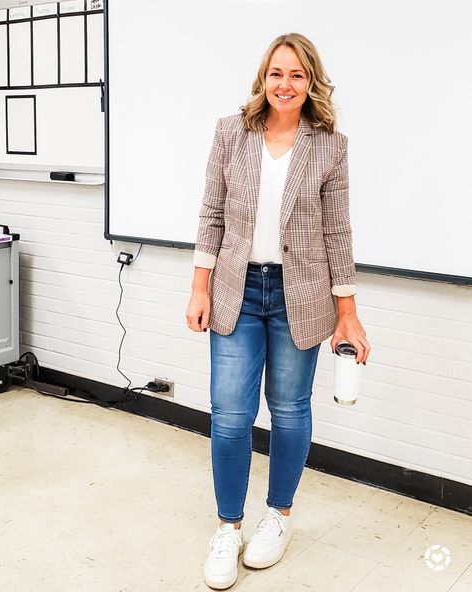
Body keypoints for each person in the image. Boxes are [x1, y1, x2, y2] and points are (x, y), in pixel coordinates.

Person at [185, 32, 370, 590]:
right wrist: (199, 287)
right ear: (262, 80)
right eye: (275, 74)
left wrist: (348, 312)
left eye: (296, 75)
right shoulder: (231, 134)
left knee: (289, 411)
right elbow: (211, 215)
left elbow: (337, 232)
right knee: (231, 416)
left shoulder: (330, 145)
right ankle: (228, 526)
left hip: (301, 295)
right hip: (236, 292)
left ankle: (279, 517)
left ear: (310, 82)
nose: (284, 85)